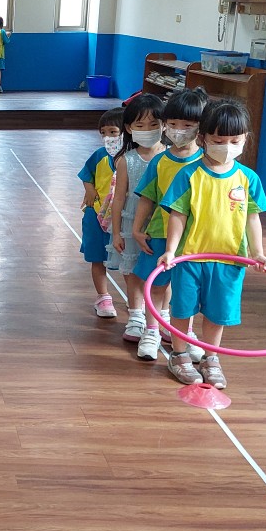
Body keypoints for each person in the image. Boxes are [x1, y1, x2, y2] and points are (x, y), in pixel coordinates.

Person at [158, 99, 266, 390]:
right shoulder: (189, 175)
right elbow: (178, 215)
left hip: (230, 260)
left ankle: (211, 357)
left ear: (245, 139)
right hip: (189, 258)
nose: (227, 147)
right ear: (203, 138)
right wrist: (170, 250)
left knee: (217, 313)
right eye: (219, 141)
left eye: (235, 141)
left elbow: (253, 219)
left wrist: (258, 252)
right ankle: (179, 355)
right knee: (182, 310)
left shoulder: (248, 178)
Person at [131, 87, 209, 361]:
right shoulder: (160, 162)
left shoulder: (207, 162)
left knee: (187, 291)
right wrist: (137, 229)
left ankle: (186, 333)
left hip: (194, 240)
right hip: (160, 234)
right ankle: (151, 330)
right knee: (156, 285)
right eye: (173, 124)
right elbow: (147, 198)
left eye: (187, 125)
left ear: (201, 127)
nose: (178, 131)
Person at [108, 93, 165, 346]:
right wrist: (117, 232)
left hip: (162, 223)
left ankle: (163, 315)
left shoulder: (170, 157)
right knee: (132, 271)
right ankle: (136, 315)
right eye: (140, 125)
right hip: (132, 223)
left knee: (163, 271)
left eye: (154, 124)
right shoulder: (126, 161)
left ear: (164, 125)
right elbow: (118, 199)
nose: (148, 130)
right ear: (129, 128)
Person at [78, 107, 125, 318]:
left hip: (123, 218)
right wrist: (89, 190)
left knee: (129, 259)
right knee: (97, 257)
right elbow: (86, 175)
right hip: (96, 215)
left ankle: (136, 299)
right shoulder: (99, 155)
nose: (108, 137)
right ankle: (103, 296)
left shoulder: (132, 157)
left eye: (113, 132)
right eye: (103, 133)